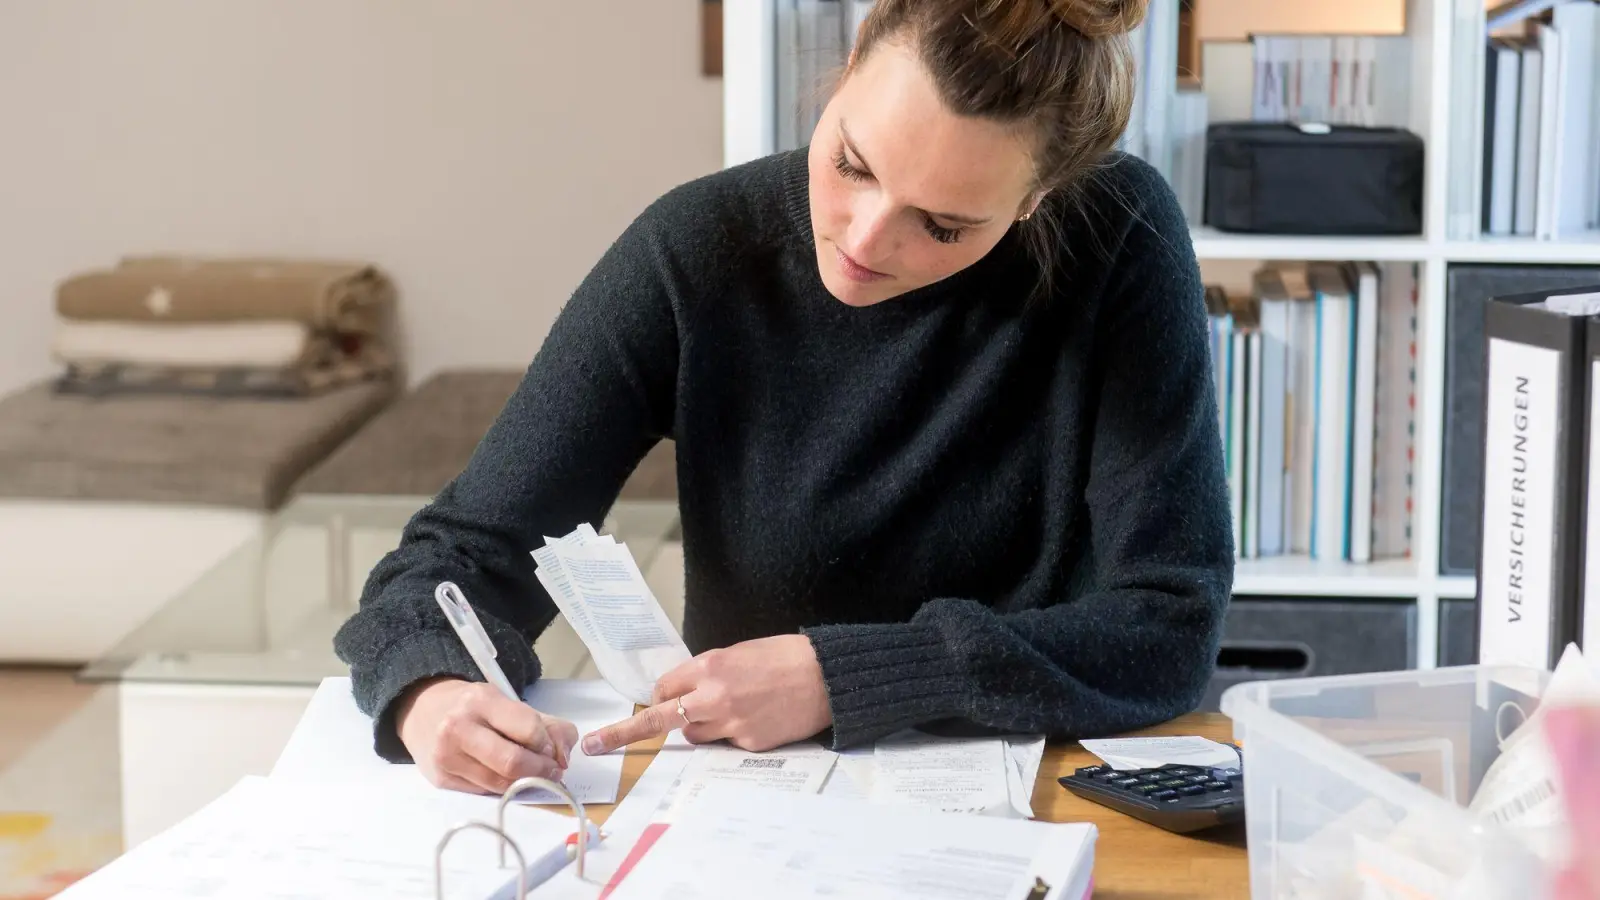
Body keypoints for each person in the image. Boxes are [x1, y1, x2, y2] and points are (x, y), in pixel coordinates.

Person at [332, 0, 1235, 797]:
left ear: (1037, 198)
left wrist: (842, 676)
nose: (866, 238)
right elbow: (463, 553)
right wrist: (429, 691)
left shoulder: (1119, 239)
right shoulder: (695, 251)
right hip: (750, 804)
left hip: (1034, 801)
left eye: (944, 225)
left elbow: (1166, 624)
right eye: (852, 163)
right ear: (844, 73)